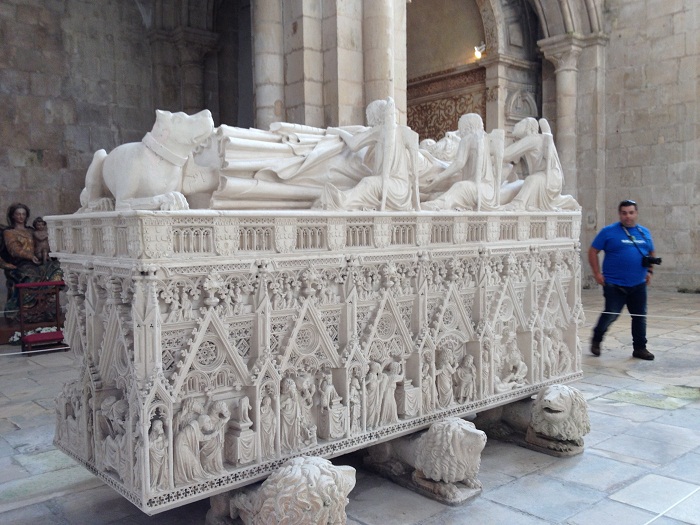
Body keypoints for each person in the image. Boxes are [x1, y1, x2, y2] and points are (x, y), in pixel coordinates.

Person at [588, 200, 656, 360]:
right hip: (614, 284)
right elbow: (592, 251)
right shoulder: (608, 232)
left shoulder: (644, 232)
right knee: (611, 314)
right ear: (620, 214)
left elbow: (651, 252)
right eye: (624, 213)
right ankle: (597, 339)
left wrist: (650, 271)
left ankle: (640, 348)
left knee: (639, 317)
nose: (628, 216)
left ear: (636, 213)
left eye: (631, 213)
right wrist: (597, 273)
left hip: (638, 284)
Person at [1, 203, 62, 317]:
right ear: (13, 216)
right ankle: (27, 306)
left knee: (57, 269)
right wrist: (30, 256)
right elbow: (14, 249)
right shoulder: (9, 232)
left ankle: (45, 302)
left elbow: (42, 243)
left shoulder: (31, 231)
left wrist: (46, 254)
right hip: (21, 264)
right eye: (18, 214)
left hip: (38, 260)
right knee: (32, 275)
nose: (21, 217)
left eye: (23, 214)